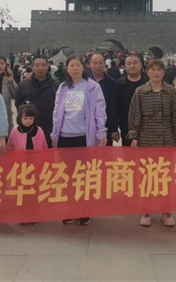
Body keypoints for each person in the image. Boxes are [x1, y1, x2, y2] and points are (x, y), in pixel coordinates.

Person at [128, 59, 176, 227]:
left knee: (166, 177)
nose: (156, 72)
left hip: (167, 140)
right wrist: (133, 136)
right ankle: (147, 210)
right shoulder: (140, 92)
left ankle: (166, 211)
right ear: (147, 72)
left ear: (163, 72)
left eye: (159, 69)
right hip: (146, 140)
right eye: (153, 69)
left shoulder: (171, 91)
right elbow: (134, 116)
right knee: (147, 177)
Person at [52, 54, 107, 226]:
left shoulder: (92, 87)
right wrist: (54, 134)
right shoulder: (63, 88)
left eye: (78, 65)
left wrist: (101, 132)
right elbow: (56, 112)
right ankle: (70, 209)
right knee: (68, 176)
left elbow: (100, 111)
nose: (75, 68)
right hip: (65, 137)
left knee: (84, 176)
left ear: (83, 67)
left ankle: (84, 210)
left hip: (84, 137)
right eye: (71, 65)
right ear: (67, 69)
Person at [16, 55, 60, 147]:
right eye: (37, 65)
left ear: (48, 67)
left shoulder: (56, 85)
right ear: (32, 67)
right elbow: (18, 106)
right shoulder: (23, 85)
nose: (40, 68)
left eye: (43, 65)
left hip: (50, 129)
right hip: (29, 129)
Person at [109, 53, 148, 146]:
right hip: (126, 126)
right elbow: (114, 108)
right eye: (129, 64)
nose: (132, 66)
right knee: (128, 153)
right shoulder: (119, 84)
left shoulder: (147, 83)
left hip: (147, 127)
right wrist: (114, 129)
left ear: (141, 65)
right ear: (124, 66)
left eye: (135, 63)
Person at [87, 52, 117, 146]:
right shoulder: (85, 83)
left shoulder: (113, 83)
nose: (98, 66)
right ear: (89, 64)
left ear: (105, 65)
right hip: (87, 126)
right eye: (95, 63)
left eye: (100, 63)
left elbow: (114, 108)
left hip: (106, 126)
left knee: (105, 153)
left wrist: (114, 129)